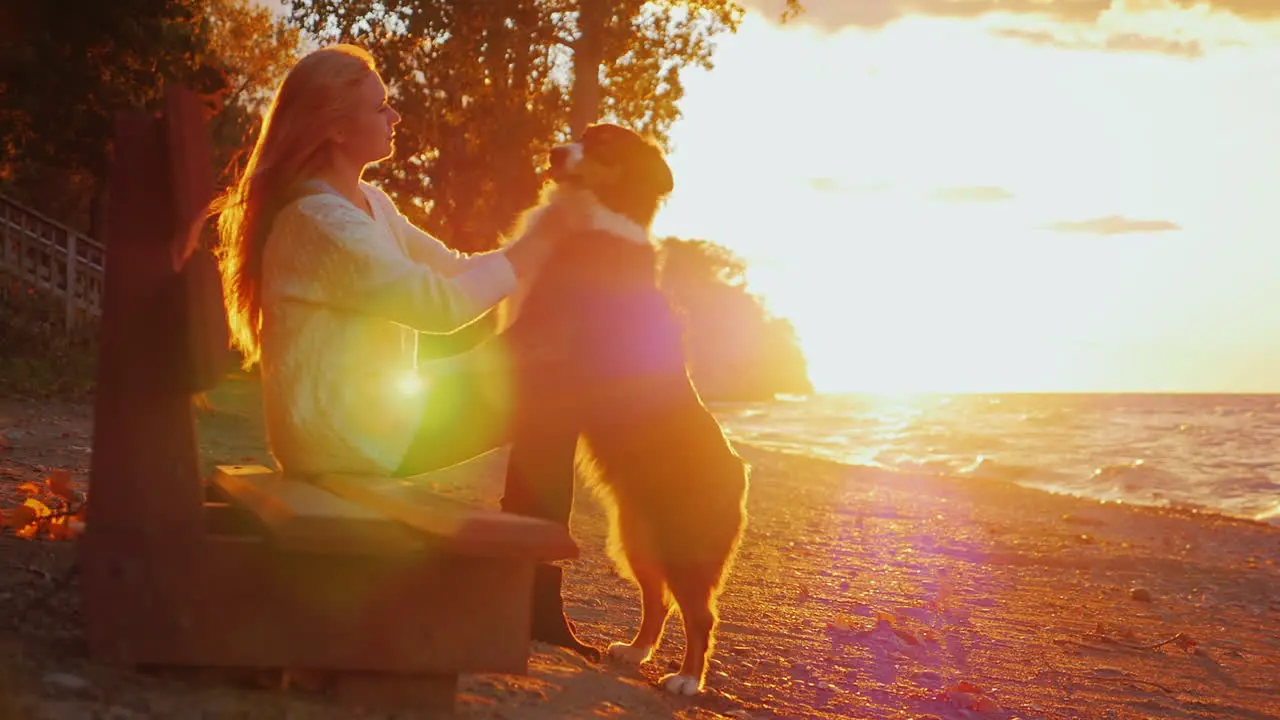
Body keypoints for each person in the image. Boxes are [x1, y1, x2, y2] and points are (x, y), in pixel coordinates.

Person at [213, 44, 595, 657]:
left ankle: (535, 598)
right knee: (551, 396)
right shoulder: (320, 222)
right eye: (380, 107)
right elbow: (438, 308)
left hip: (374, 420)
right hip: (344, 437)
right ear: (337, 128)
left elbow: (453, 270)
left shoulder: (371, 206)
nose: (394, 118)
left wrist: (537, 249)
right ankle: (532, 602)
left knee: (549, 386)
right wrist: (542, 241)